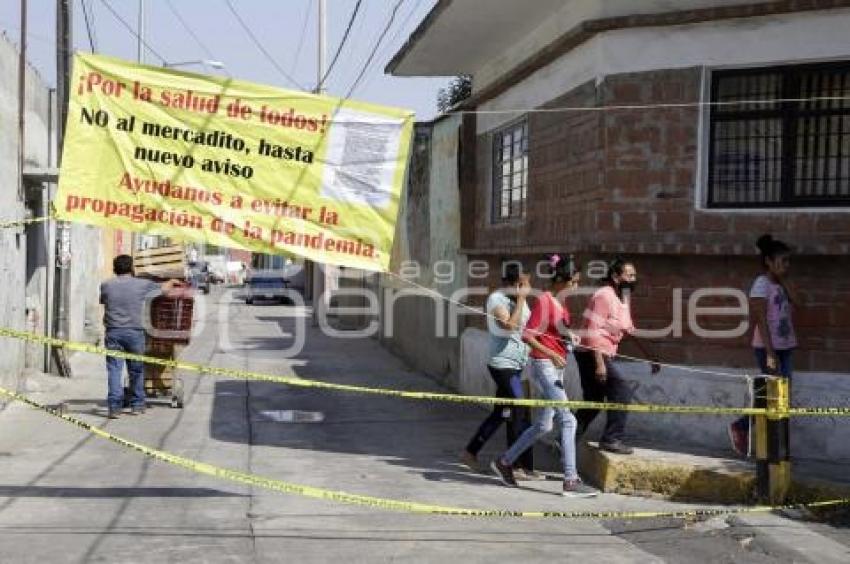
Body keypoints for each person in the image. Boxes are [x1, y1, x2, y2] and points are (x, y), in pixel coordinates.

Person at [490, 254, 597, 497]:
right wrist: (552, 353)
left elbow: (554, 331)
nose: (576, 287)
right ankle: (571, 480)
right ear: (561, 279)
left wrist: (569, 338)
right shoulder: (545, 301)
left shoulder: (560, 302)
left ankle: (505, 462)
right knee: (568, 420)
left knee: (543, 425)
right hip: (544, 365)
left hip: (555, 365)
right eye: (574, 282)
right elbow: (528, 336)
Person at [461, 263, 542, 480]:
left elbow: (528, 329)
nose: (528, 287)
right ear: (515, 283)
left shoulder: (519, 301)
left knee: (502, 413)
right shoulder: (497, 299)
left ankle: (471, 452)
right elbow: (509, 326)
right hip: (502, 364)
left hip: (519, 365)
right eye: (525, 283)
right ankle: (514, 465)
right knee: (519, 411)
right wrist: (523, 299)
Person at [574, 258, 660, 455]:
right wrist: (599, 364)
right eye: (629, 275)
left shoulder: (624, 297)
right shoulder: (604, 296)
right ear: (615, 277)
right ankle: (612, 439)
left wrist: (650, 355)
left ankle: (566, 440)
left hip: (604, 354)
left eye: (634, 275)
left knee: (593, 401)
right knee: (621, 392)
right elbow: (593, 330)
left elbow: (628, 328)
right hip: (591, 353)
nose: (633, 279)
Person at [728, 234, 799, 456]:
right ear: (768, 261)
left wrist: (784, 279)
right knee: (771, 396)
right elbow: (760, 320)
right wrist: (769, 352)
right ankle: (744, 429)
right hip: (768, 348)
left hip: (786, 347)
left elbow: (799, 302)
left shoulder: (781, 284)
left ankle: (774, 449)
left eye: (788, 261)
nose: (786, 266)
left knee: (780, 397)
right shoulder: (761, 284)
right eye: (782, 261)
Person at [100, 254, 181, 419]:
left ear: (115, 268)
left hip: (113, 332)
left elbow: (104, 301)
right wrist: (172, 282)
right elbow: (164, 290)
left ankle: (114, 407)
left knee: (114, 370)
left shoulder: (106, 285)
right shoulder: (143, 285)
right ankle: (137, 405)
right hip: (135, 332)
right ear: (131, 268)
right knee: (136, 370)